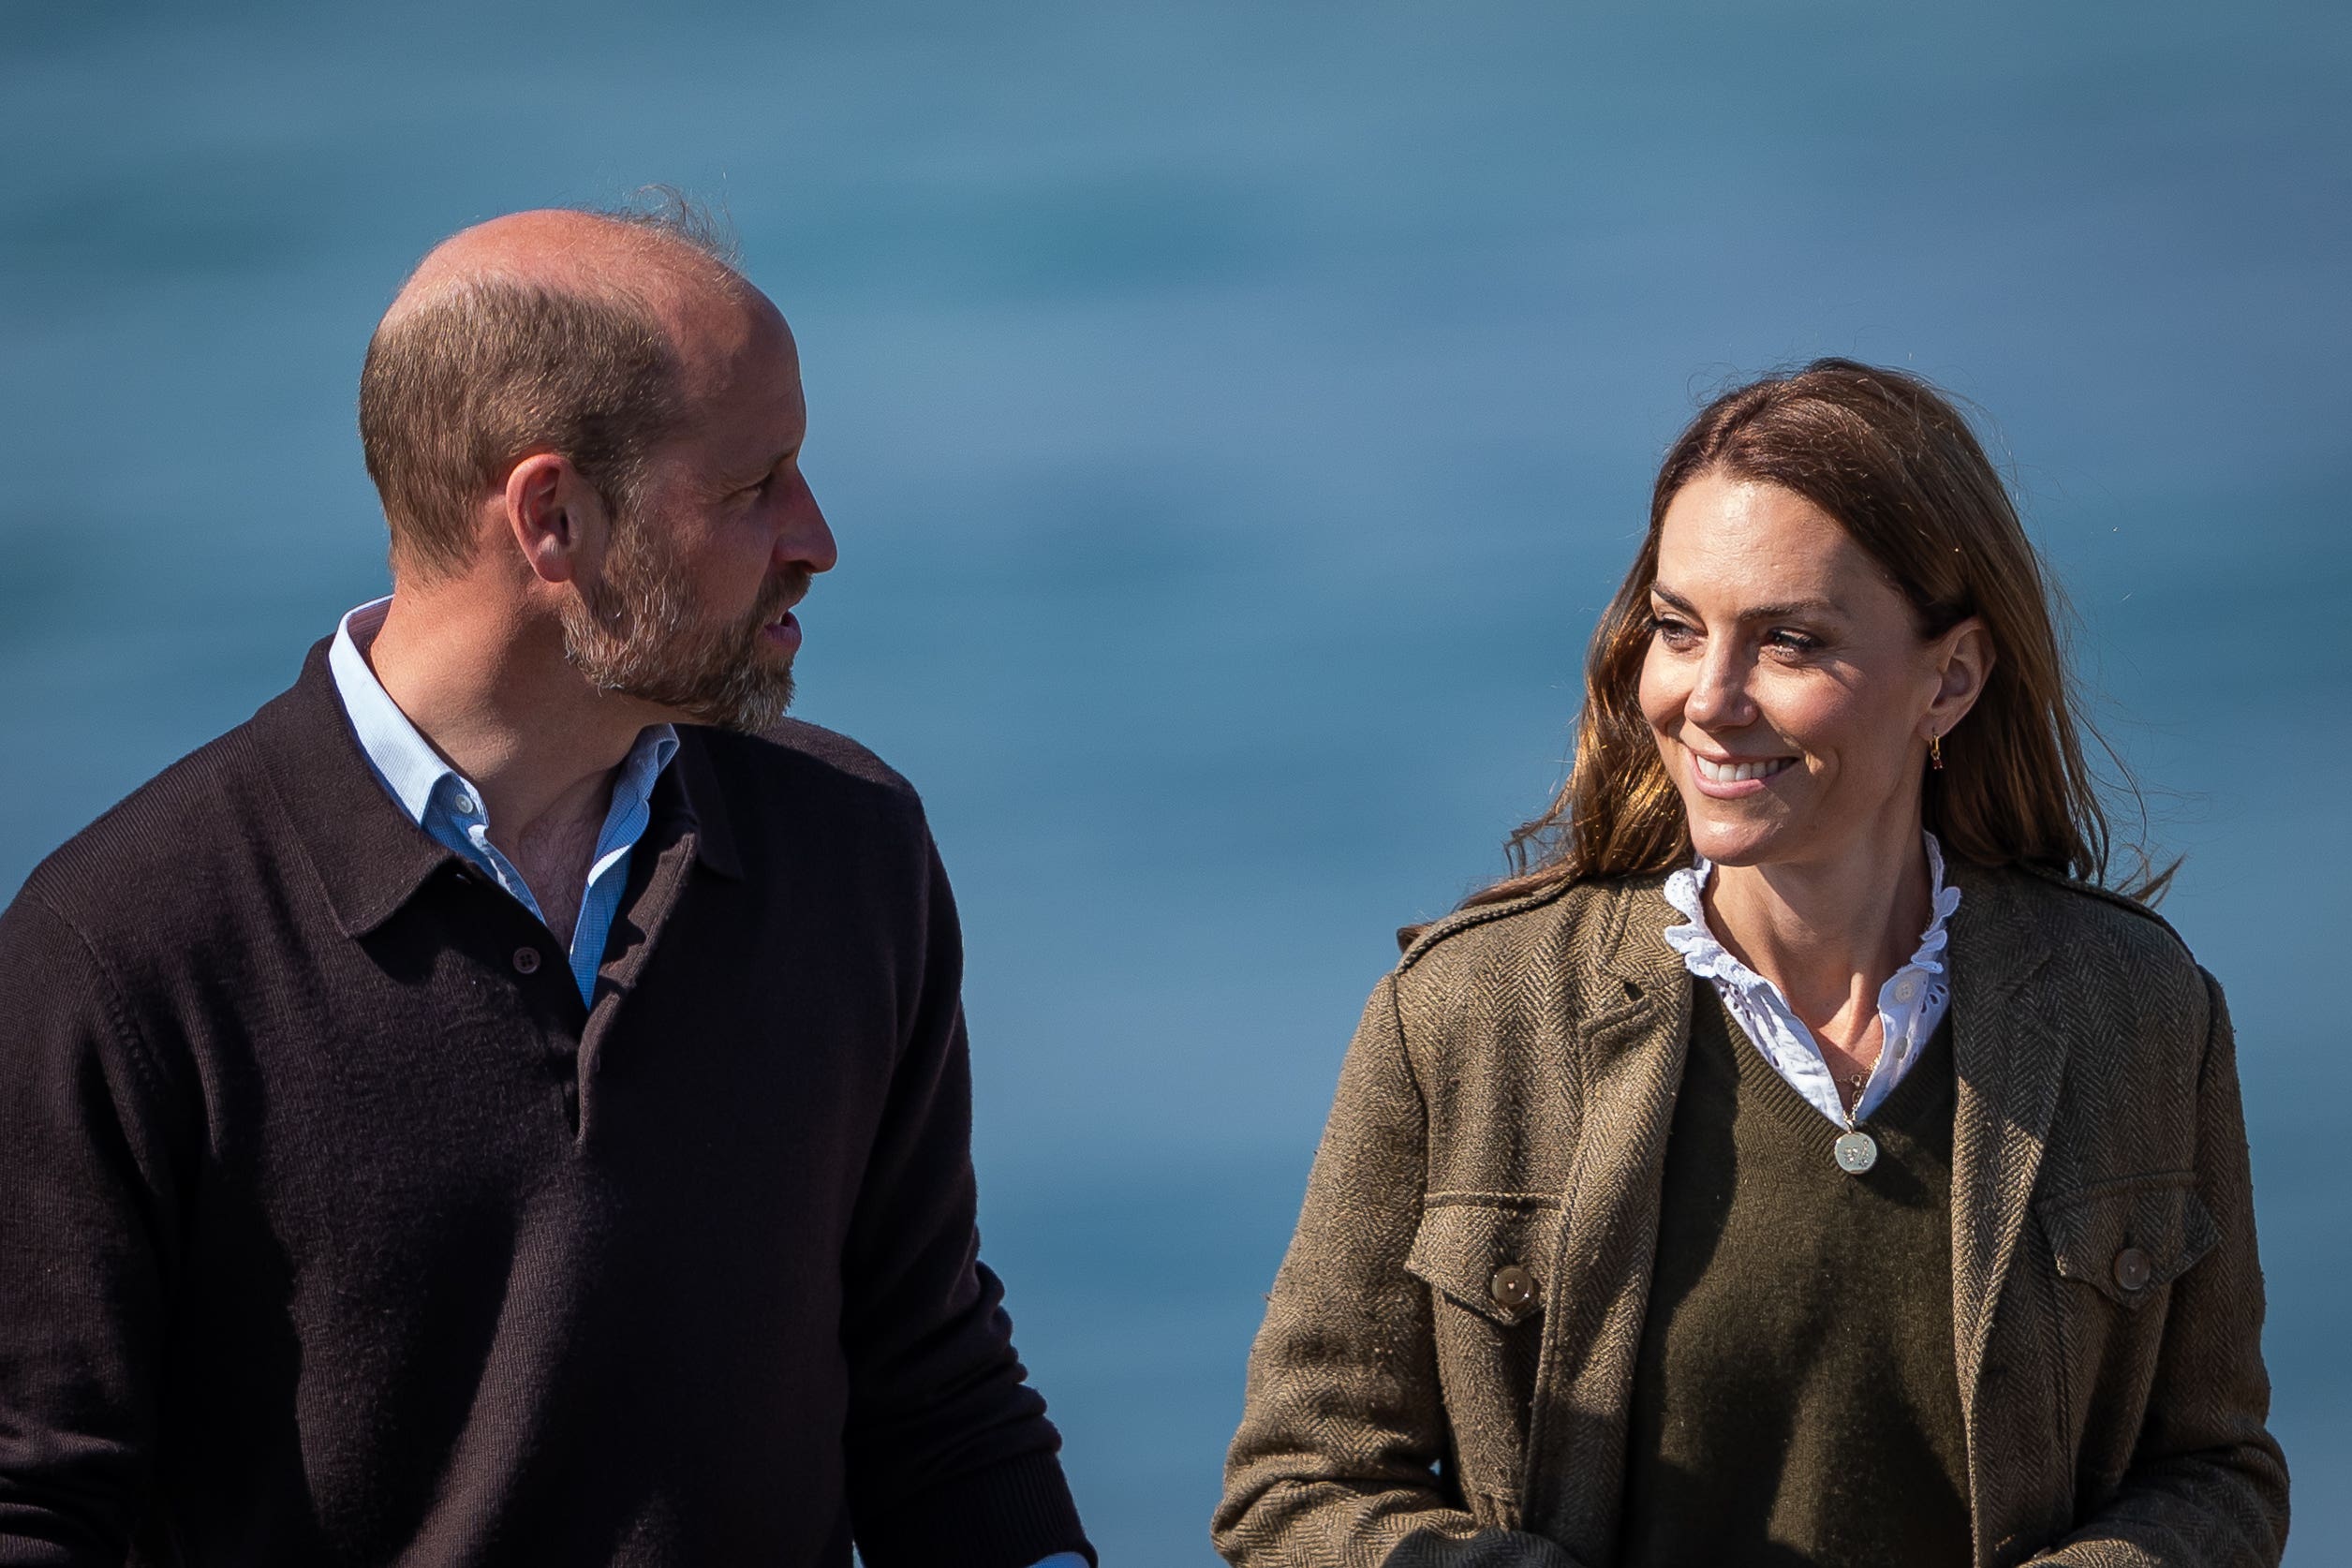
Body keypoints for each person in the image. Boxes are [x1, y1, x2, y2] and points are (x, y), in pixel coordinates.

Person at [0, 203, 1093, 1568]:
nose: (814, 536)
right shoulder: (119, 953)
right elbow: (35, 1504)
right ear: (552, 516)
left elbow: (937, 1402)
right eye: (758, 485)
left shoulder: (850, 847)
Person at [1215, 361, 2288, 1568]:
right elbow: (1297, 1489)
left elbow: (2212, 1474)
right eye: (1679, 630)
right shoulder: (1467, 1015)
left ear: (1952, 677)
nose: (1707, 700)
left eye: (1789, 642)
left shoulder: (2140, 1013)